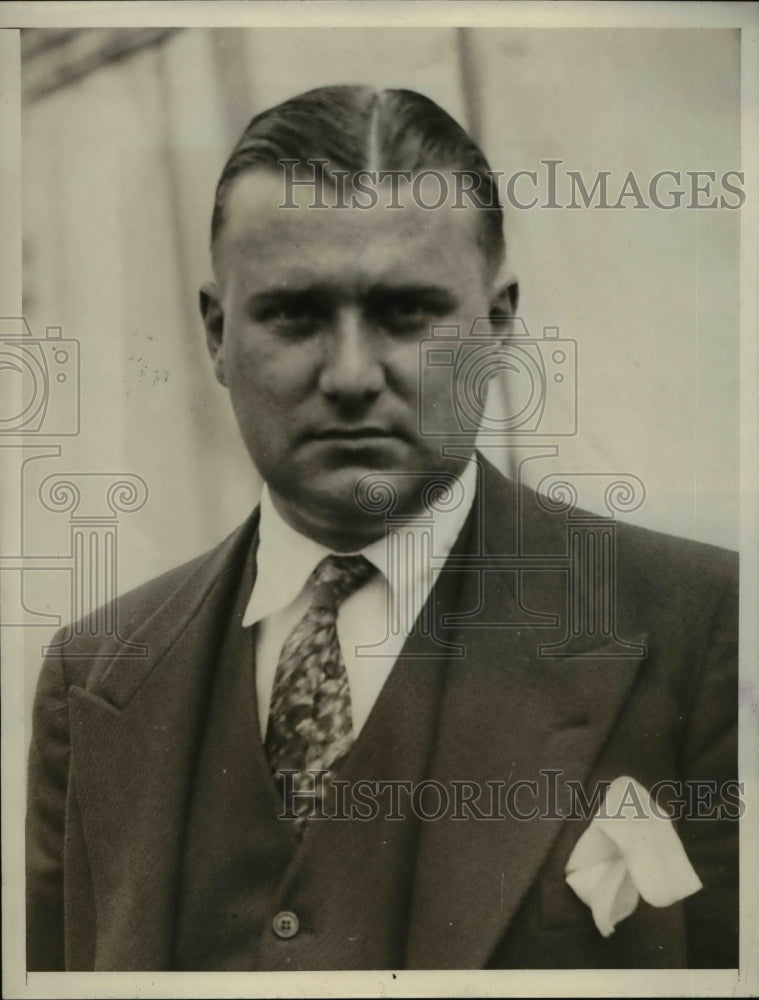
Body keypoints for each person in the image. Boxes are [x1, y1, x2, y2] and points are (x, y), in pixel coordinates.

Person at [26, 85, 739, 972]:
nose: (351, 375)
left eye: (406, 314)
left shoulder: (703, 628)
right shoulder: (96, 676)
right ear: (215, 333)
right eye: (294, 314)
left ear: (497, 326)